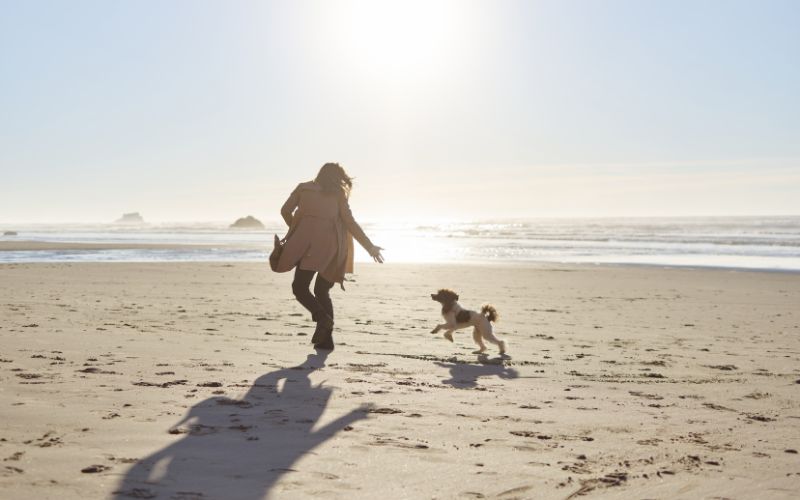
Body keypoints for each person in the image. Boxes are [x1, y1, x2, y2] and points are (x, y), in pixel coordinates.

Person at [274, 163, 384, 350]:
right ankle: (326, 340)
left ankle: (323, 319)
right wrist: (370, 247)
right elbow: (350, 223)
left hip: (307, 246)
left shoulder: (303, 188)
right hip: (333, 248)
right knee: (322, 290)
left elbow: (285, 210)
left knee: (299, 287)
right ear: (337, 178)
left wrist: (298, 228)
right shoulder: (338, 194)